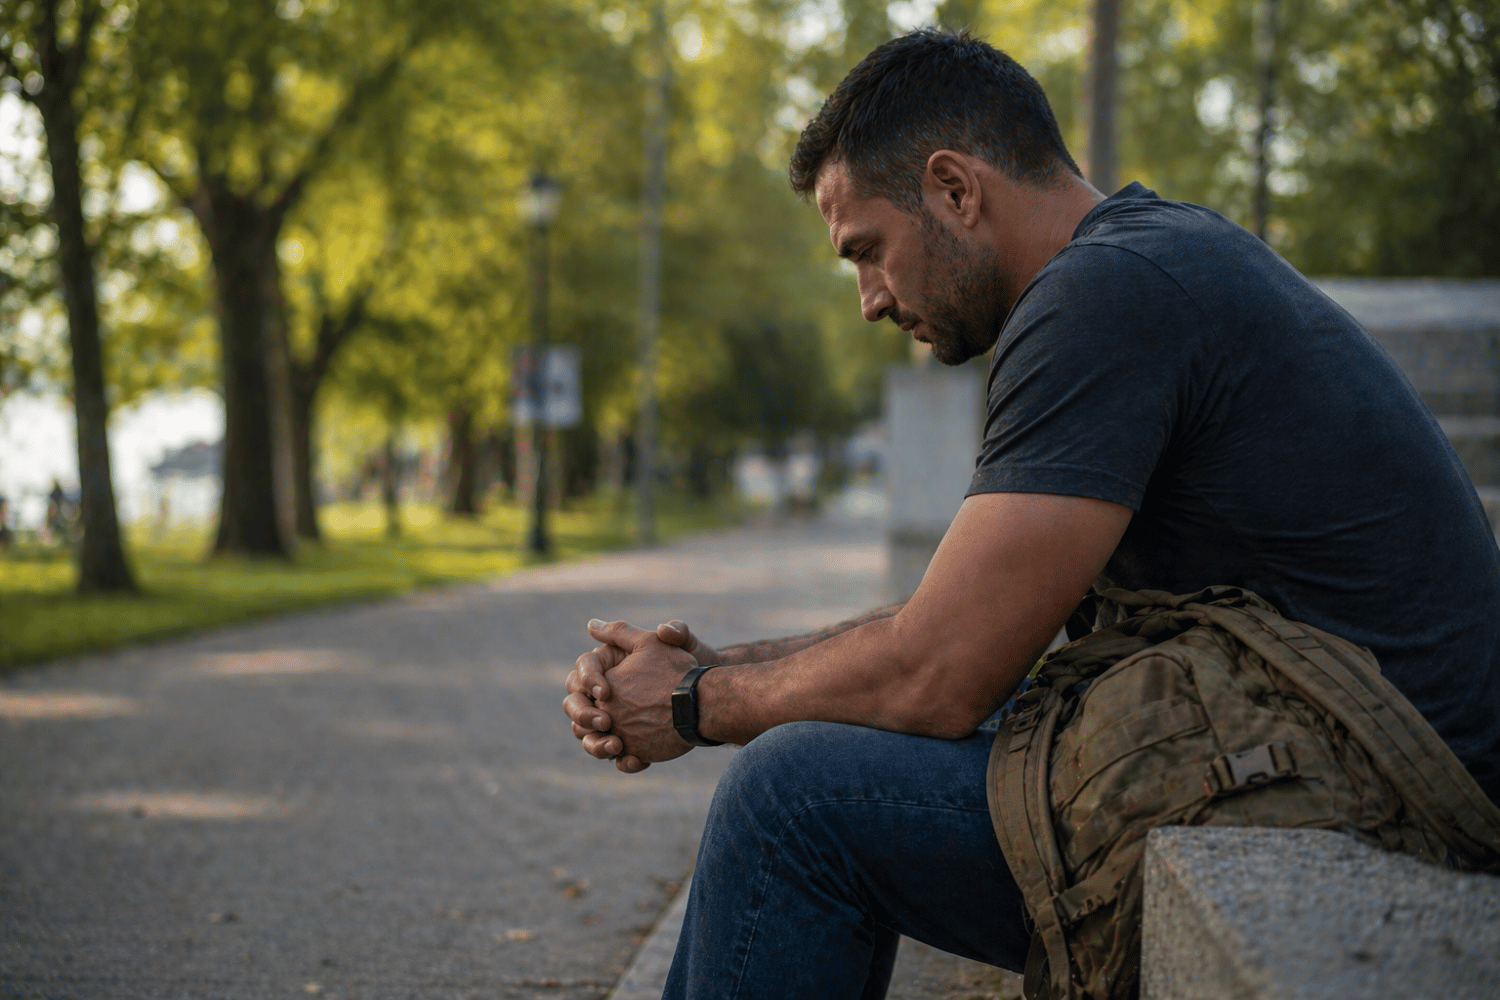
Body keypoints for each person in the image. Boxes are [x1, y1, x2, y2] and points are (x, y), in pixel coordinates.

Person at [561, 28, 1500, 999]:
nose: (868, 302)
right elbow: (952, 630)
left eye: (868, 252)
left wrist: (691, 706)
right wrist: (720, 665)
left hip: (1397, 775)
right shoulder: (1138, 261)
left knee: (791, 799)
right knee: (854, 748)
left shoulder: (1103, 295)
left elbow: (941, 675)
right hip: (1333, 731)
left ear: (956, 189)